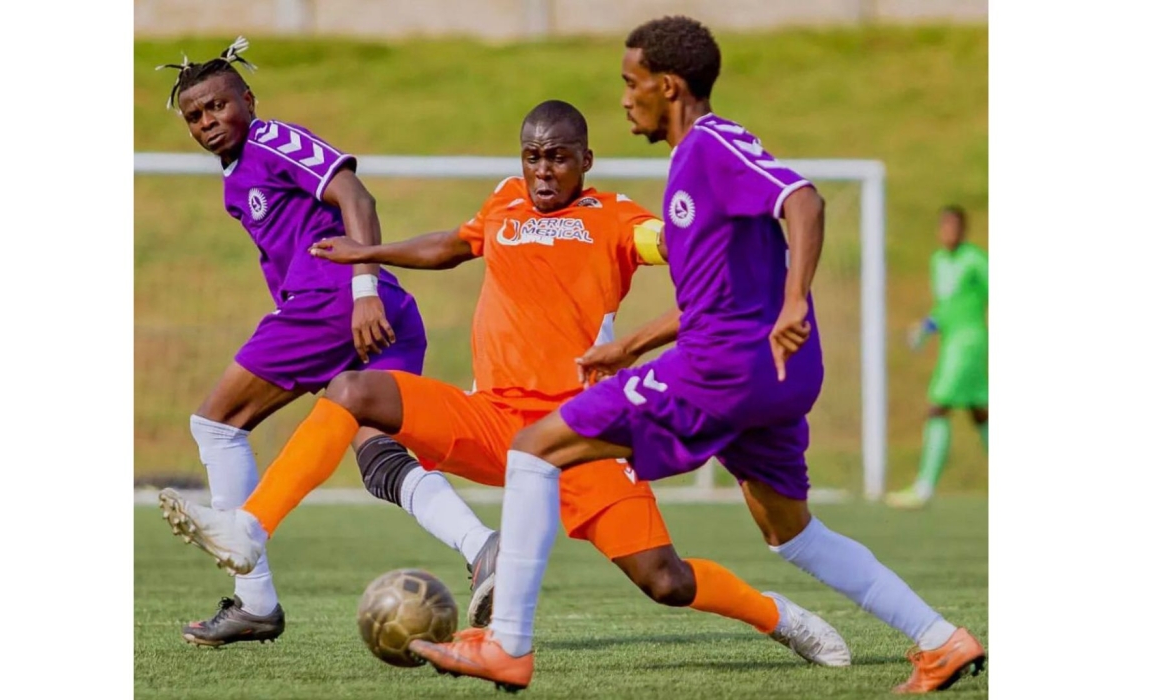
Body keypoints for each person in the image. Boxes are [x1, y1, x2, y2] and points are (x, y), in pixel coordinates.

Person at [158, 99, 851, 667]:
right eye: (532, 155)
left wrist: (726, 241)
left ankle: (780, 617)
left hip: (577, 434)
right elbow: (453, 247)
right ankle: (250, 530)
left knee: (665, 581)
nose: (543, 169)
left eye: (557, 156)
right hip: (492, 420)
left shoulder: (616, 217)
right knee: (355, 393)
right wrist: (368, 254)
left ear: (585, 160)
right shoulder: (505, 204)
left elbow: (672, 248)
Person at [408, 17, 987, 695]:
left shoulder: (711, 145)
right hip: (775, 373)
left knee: (535, 447)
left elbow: (803, 199)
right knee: (790, 533)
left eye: (631, 83)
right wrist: (629, 344)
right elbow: (719, 292)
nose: (624, 98)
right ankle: (941, 640)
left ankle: (508, 645)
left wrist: (797, 299)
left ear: (669, 85)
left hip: (723, 367)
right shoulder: (693, 164)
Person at [154, 37, 435, 646]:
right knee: (380, 457)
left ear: (247, 99)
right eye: (194, 117)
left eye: (217, 106)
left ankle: (256, 599)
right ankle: (484, 548)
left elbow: (356, 196)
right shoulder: (236, 179)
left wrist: (363, 290)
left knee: (217, 425)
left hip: (335, 302)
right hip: (325, 306)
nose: (207, 122)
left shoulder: (273, 139)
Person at [887, 206, 989, 509]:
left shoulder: (974, 260)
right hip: (951, 343)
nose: (949, 232)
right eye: (944, 226)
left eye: (954, 226)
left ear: (963, 230)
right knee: (979, 412)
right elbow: (946, 307)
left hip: (969, 343)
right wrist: (927, 327)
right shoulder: (938, 261)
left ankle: (924, 487)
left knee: (938, 407)